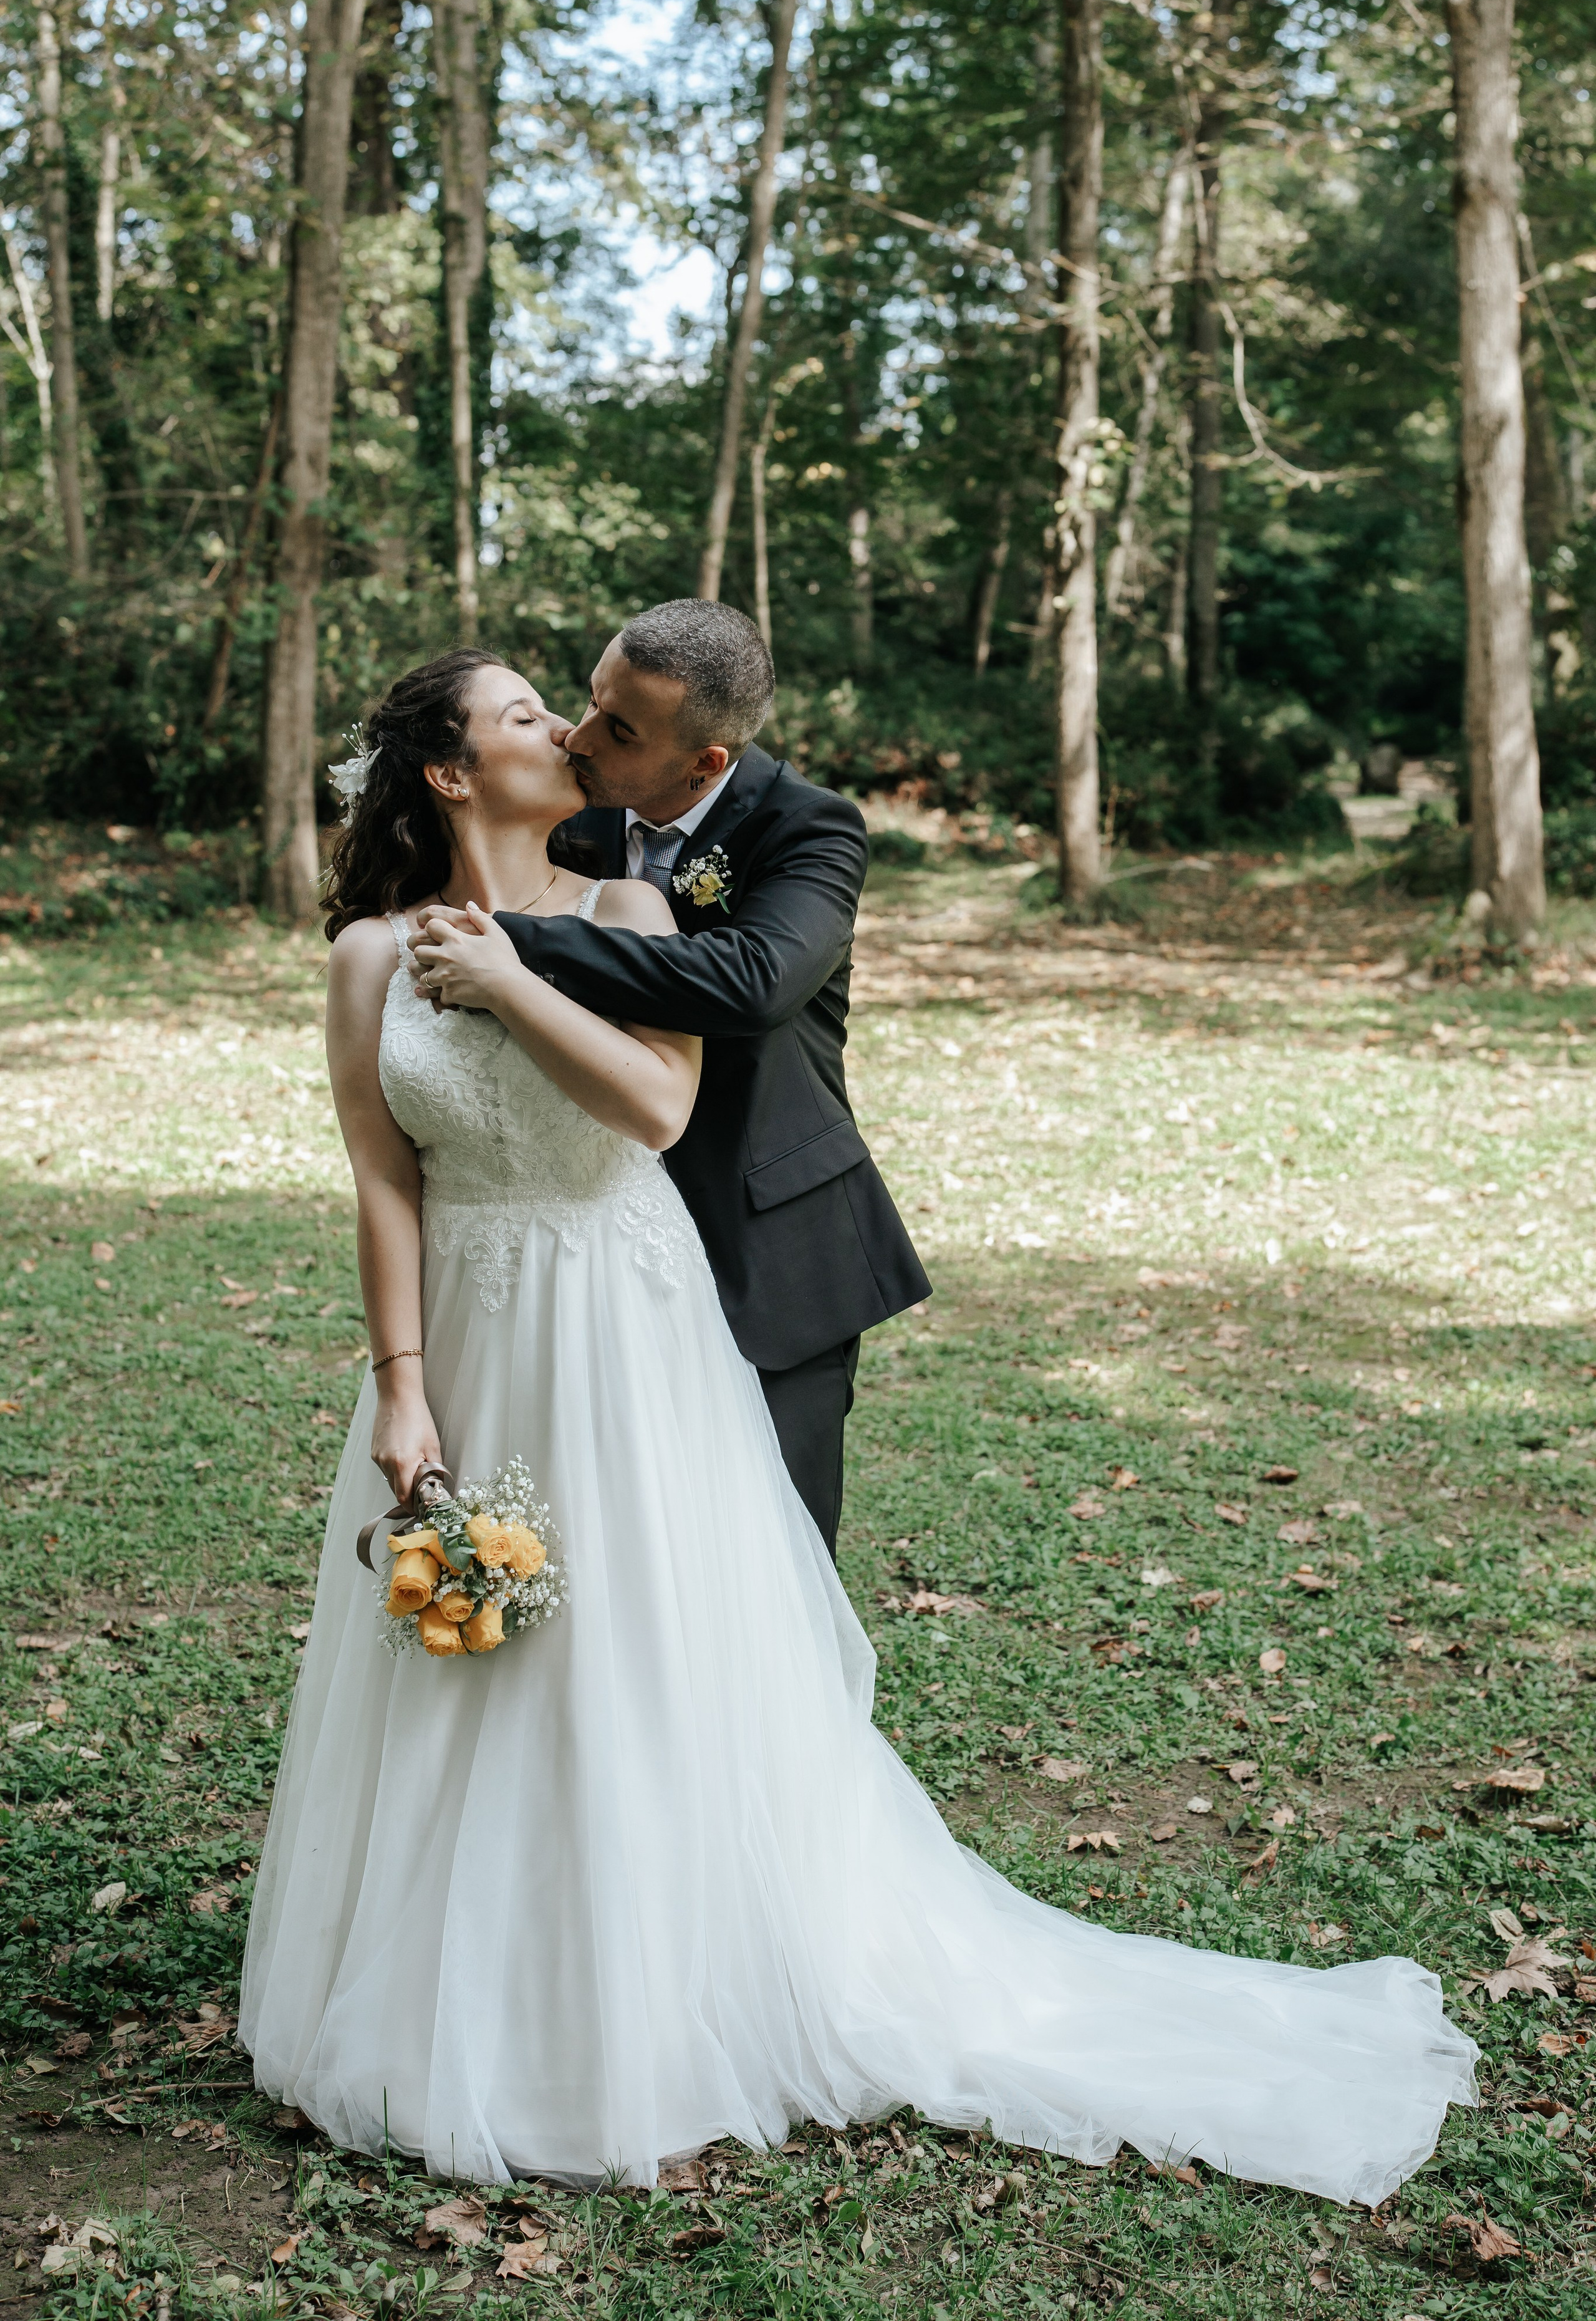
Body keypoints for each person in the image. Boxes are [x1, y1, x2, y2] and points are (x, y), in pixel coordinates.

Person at [240, 645, 1476, 2200]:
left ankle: (662, 2001)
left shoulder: (629, 908)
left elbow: (658, 1110)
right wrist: (402, 1381)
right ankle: (458, 1994)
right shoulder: (366, 955)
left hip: (621, 1321)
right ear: (446, 772)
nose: (562, 726)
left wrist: (507, 976)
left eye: (572, 708)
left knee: (635, 1645)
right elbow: (381, 1176)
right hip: (473, 1329)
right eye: (525, 713)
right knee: (474, 1649)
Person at [410, 600, 928, 1560]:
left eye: (620, 729)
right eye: (591, 700)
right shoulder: (575, 809)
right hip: (598, 1241)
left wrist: (515, 947)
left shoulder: (808, 827)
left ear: (705, 762)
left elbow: (755, 981)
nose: (580, 735)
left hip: (765, 1237)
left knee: (771, 1560)